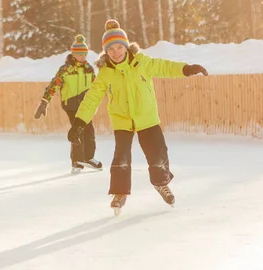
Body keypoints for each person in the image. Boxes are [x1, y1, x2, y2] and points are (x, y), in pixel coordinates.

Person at [67, 20, 208, 212]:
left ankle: (161, 183)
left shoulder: (142, 62)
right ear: (106, 52)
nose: (116, 52)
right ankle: (120, 192)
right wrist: (79, 123)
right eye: (111, 49)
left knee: (158, 154)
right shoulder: (105, 73)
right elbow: (91, 99)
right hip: (122, 120)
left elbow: (165, 67)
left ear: (126, 47)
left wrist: (187, 69)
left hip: (146, 117)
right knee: (121, 158)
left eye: (119, 47)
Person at [34, 34, 103, 174]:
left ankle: (88, 157)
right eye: (80, 54)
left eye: (85, 54)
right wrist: (44, 102)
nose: (82, 57)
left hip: (85, 105)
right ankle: (77, 161)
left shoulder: (89, 69)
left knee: (89, 131)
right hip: (71, 104)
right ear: (73, 54)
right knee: (77, 132)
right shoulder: (65, 69)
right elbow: (54, 85)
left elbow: (96, 86)